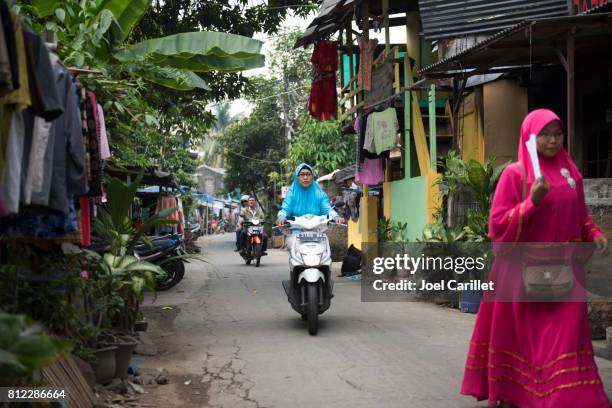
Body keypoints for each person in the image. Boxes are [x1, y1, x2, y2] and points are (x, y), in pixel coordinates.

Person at [461, 109, 609, 407]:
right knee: (527, 340)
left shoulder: (571, 173)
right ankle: (520, 392)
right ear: (530, 137)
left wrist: (593, 233)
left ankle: (569, 397)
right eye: (545, 134)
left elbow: (580, 215)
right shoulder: (517, 174)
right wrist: (532, 202)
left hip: (566, 271)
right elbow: (498, 226)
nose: (553, 140)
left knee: (566, 338)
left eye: (558, 133)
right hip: (523, 273)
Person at [275, 163, 345, 225]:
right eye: (302, 174)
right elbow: (286, 208)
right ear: (297, 177)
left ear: (312, 177)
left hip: (317, 231)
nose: (305, 177)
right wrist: (281, 217)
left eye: (308, 174)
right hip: (294, 231)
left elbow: (327, 208)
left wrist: (336, 216)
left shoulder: (320, 194)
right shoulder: (291, 193)